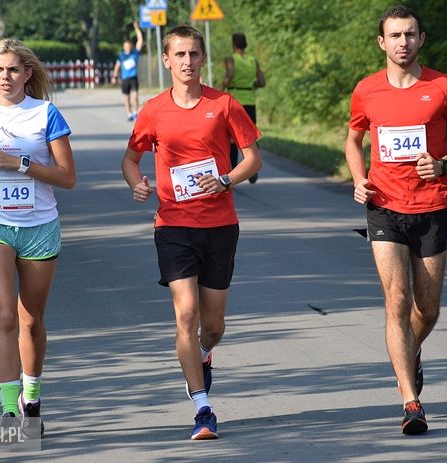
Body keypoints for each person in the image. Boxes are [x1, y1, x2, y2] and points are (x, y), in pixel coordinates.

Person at [121, 25, 262, 441]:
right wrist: (137, 184)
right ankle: (203, 408)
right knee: (186, 313)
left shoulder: (224, 104)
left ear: (203, 59)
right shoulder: (152, 111)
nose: (186, 62)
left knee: (212, 325)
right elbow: (131, 160)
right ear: (166, 60)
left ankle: (203, 355)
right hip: (173, 226)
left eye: (193, 54)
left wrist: (226, 179)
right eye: (179, 55)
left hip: (220, 225)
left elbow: (253, 157)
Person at [345, 5, 447, 435]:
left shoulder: (443, 87)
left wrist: (442, 164)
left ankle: (409, 353)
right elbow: (353, 139)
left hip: (432, 206)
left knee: (428, 307)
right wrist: (359, 178)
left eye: (410, 34)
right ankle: (410, 401)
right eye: (395, 35)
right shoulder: (366, 90)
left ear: (421, 39)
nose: (403, 42)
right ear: (382, 42)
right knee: (397, 301)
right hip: (383, 206)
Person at [0, 37, 75, 436]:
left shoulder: (45, 113)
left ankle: (32, 397)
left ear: (27, 73)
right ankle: (8, 413)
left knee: (31, 321)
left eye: (13, 70)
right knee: (5, 315)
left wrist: (21, 164)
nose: (6, 77)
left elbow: (67, 177)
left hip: (39, 227)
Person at [220, 32, 265, 184]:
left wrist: (221, 88)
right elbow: (262, 81)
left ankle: (233, 171)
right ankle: (253, 166)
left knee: (231, 138)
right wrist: (252, 85)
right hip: (250, 100)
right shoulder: (253, 60)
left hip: (234, 101)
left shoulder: (231, 59)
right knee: (250, 136)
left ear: (233, 44)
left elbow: (230, 74)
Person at [111, 21, 143, 121]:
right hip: (125, 79)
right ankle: (129, 114)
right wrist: (114, 76)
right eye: (126, 47)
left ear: (131, 47)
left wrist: (137, 29)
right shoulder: (122, 56)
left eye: (129, 47)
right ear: (124, 47)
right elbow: (117, 66)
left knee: (135, 97)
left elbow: (140, 40)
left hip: (133, 77)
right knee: (127, 98)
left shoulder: (135, 53)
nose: (127, 48)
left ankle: (135, 112)